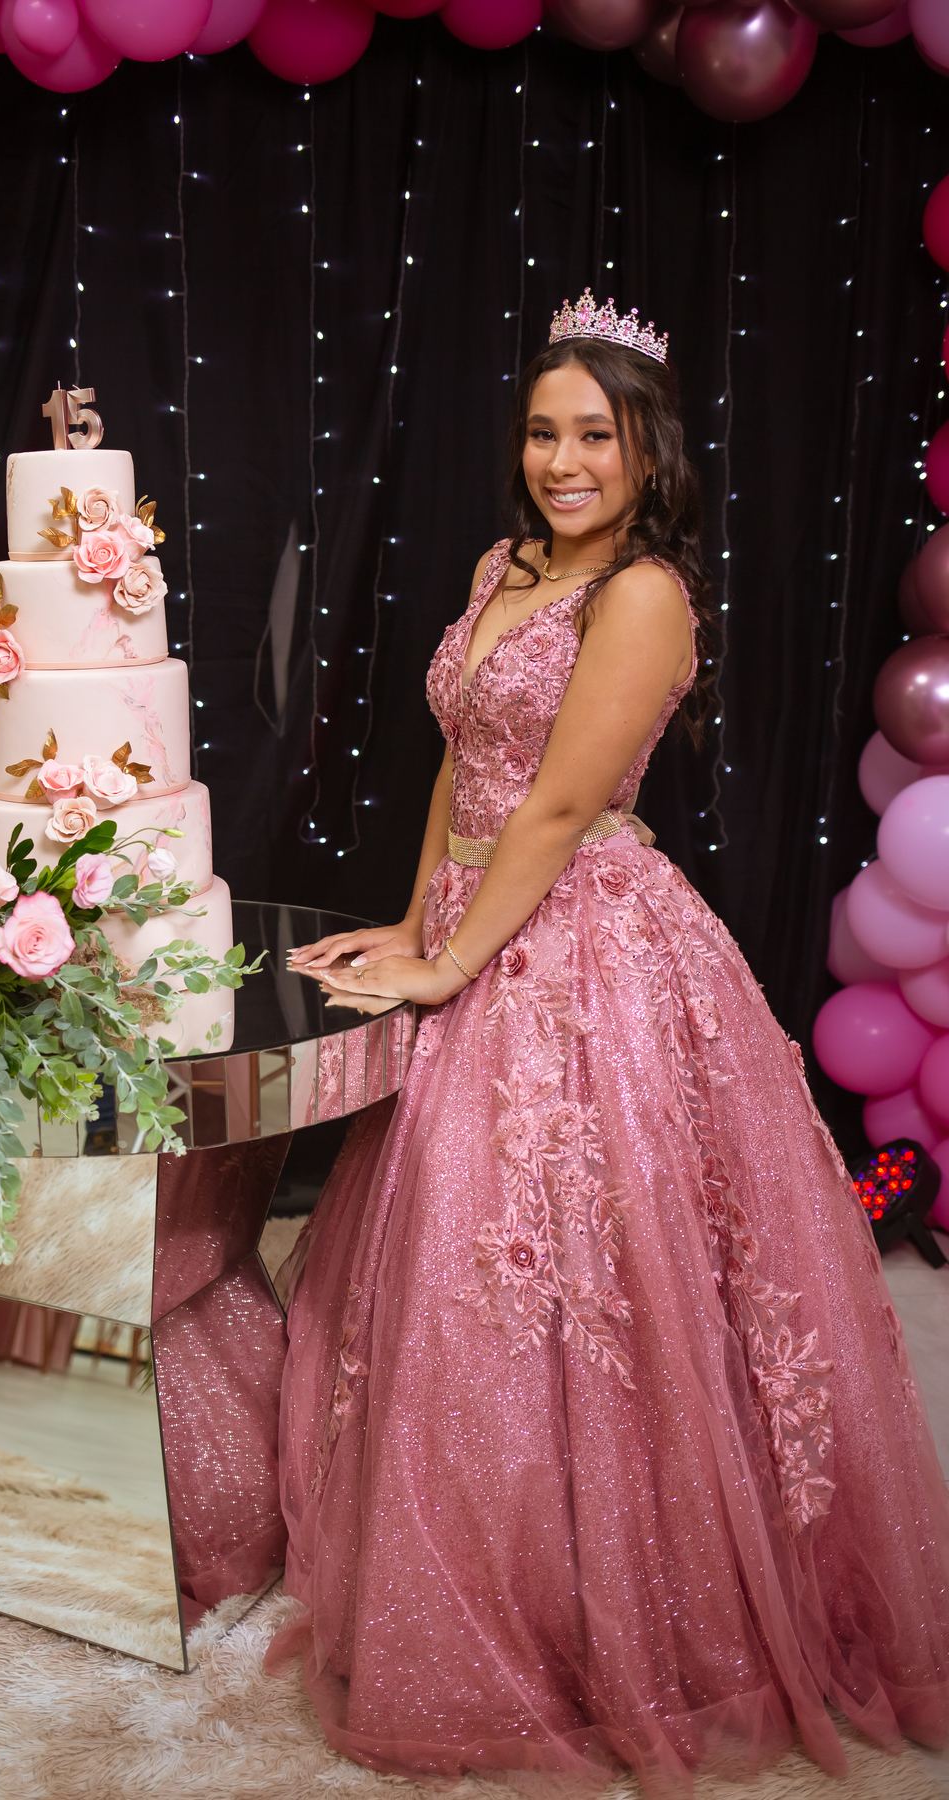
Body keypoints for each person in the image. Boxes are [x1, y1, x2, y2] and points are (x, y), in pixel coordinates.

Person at [269, 292, 949, 1793]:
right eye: (542, 432)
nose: (563, 461)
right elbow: (464, 762)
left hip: (582, 937)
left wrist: (453, 963)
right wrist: (412, 920)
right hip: (476, 905)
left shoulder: (643, 596)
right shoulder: (502, 566)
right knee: (455, 1260)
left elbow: (565, 804)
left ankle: (604, 1599)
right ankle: (454, 1554)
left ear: (650, 451)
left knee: (581, 1266)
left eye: (595, 435)